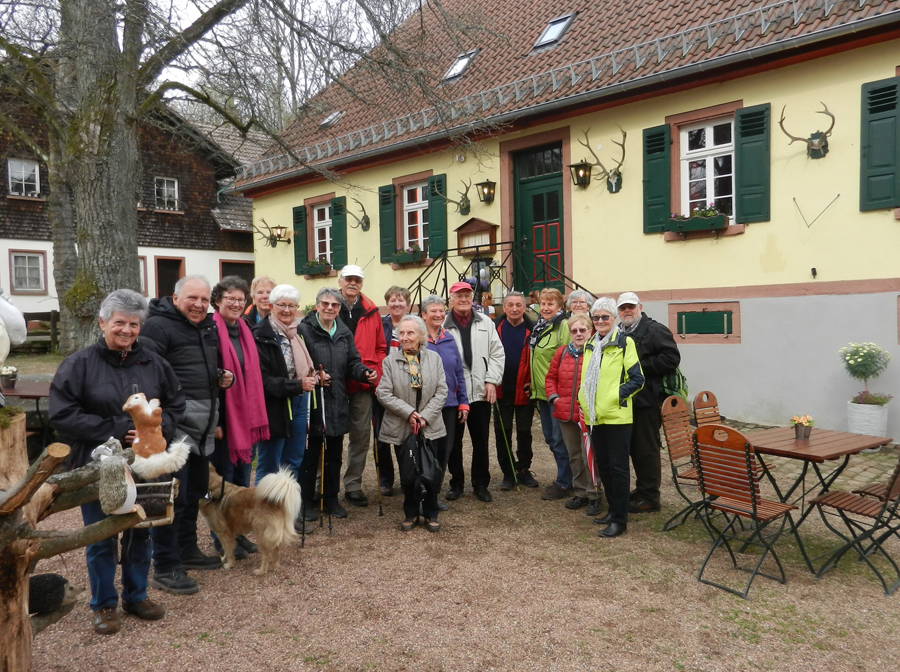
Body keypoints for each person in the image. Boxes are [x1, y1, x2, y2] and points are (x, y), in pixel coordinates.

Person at [49, 289, 185, 635]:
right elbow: (63, 415)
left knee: (141, 532)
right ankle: (104, 604)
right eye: (119, 323)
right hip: (99, 466)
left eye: (134, 324)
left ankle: (136, 596)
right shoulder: (79, 365)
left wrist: (155, 429)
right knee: (101, 537)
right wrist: (118, 429)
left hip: (146, 466)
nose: (127, 330)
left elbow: (175, 404)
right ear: (102, 323)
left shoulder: (155, 362)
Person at [142, 275, 230, 594]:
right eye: (193, 298)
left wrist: (220, 376)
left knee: (194, 492)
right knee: (171, 496)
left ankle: (187, 549)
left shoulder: (206, 326)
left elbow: (198, 367)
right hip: (174, 424)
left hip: (204, 421)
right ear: (176, 298)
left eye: (205, 300)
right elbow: (149, 373)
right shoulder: (158, 326)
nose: (199, 305)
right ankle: (165, 565)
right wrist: (165, 419)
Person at [298, 287, 377, 520]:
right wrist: (314, 376)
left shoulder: (343, 332)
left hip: (337, 400)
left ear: (339, 309)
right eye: (325, 304)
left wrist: (364, 373)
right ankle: (306, 502)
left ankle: (331, 499)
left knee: (334, 454)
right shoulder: (304, 330)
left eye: (334, 305)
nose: (329, 308)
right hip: (314, 402)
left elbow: (353, 362)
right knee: (311, 455)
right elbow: (299, 364)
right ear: (317, 306)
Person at [209, 276, 269, 559]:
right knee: (223, 482)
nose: (236, 303)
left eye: (240, 299)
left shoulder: (245, 329)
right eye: (230, 298)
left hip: (246, 415)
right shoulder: (210, 331)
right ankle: (220, 535)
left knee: (243, 479)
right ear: (217, 300)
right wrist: (216, 421)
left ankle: (238, 531)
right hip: (224, 418)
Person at [252, 284, 318, 531]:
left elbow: (302, 367)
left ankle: (288, 512)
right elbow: (263, 380)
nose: (287, 310)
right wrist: (297, 384)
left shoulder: (297, 333)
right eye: (281, 305)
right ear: (271, 306)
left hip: (299, 401)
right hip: (273, 406)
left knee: (293, 459)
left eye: (292, 305)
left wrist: (313, 377)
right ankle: (264, 518)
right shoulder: (260, 334)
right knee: (270, 463)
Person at [579, 297, 644, 538]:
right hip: (595, 417)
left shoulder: (624, 343)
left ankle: (620, 519)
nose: (600, 321)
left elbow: (638, 379)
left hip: (617, 416)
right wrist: (583, 399)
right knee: (604, 466)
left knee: (618, 469)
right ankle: (612, 509)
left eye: (605, 317)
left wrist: (616, 396)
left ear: (614, 319)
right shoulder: (590, 344)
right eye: (596, 318)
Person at [377, 315, 448, 531]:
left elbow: (441, 390)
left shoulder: (434, 358)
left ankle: (431, 512)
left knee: (430, 470)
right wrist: (409, 413)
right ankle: (410, 511)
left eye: (410, 333)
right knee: (408, 471)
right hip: (403, 425)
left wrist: (424, 416)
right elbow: (383, 393)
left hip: (429, 425)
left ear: (421, 336)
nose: (405, 337)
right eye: (402, 333)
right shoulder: (390, 361)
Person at [616, 292, 681, 515]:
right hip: (628, 401)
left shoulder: (655, 329)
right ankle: (642, 490)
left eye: (631, 307)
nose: (627, 311)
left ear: (640, 307)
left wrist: (639, 368)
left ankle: (651, 497)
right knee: (633, 448)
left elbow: (672, 358)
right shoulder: (618, 332)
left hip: (647, 400)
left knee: (646, 449)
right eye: (623, 308)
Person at [443, 281, 504, 502]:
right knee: (453, 442)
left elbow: (497, 354)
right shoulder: (442, 324)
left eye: (467, 295)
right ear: (451, 299)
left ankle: (480, 483)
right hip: (454, 395)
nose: (463, 299)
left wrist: (491, 381)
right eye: (458, 296)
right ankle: (456, 482)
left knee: (481, 441)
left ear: (472, 298)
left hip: (480, 391)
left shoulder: (486, 322)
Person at [337, 264, 387, 508]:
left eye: (357, 280)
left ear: (361, 283)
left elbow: (380, 347)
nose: (352, 283)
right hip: (335, 382)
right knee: (329, 435)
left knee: (360, 436)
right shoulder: (327, 307)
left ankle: (353, 485)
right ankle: (320, 486)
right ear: (340, 281)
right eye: (348, 279)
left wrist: (375, 371)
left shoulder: (372, 310)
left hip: (363, 382)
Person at [545, 313, 602, 516]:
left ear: (590, 331)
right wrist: (554, 398)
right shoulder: (562, 353)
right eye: (574, 330)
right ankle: (579, 492)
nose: (578, 334)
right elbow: (550, 377)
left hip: (587, 415)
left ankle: (594, 494)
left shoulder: (596, 353)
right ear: (569, 333)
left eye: (582, 330)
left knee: (590, 457)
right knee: (574, 455)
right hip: (565, 414)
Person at [422, 294, 469, 503]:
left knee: (444, 450)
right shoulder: (418, 339)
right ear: (423, 314)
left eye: (441, 311)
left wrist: (463, 402)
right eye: (433, 311)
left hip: (449, 405)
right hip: (425, 405)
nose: (439, 314)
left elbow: (459, 372)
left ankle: (433, 494)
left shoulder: (449, 338)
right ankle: (423, 493)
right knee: (427, 450)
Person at [530, 288, 572, 501]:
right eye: (543, 304)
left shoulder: (562, 326)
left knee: (559, 439)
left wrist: (558, 391)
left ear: (559, 307)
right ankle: (565, 477)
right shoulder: (539, 326)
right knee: (549, 438)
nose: (545, 308)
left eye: (550, 304)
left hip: (557, 393)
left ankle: (565, 482)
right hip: (541, 392)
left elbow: (567, 358)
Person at [493, 291, 538, 490]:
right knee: (502, 432)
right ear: (504, 308)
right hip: (501, 389)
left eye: (518, 305)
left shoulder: (534, 329)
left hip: (525, 389)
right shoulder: (494, 327)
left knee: (524, 431)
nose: (514, 309)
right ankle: (508, 472)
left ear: (524, 307)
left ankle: (523, 469)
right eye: (510, 305)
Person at [374, 285, 410, 496]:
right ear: (387, 303)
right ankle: (385, 479)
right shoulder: (380, 324)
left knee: (404, 436)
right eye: (392, 300)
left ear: (407, 302)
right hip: (383, 386)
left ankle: (408, 476)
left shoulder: (415, 324)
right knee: (380, 436)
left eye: (401, 300)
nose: (396, 304)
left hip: (406, 388)